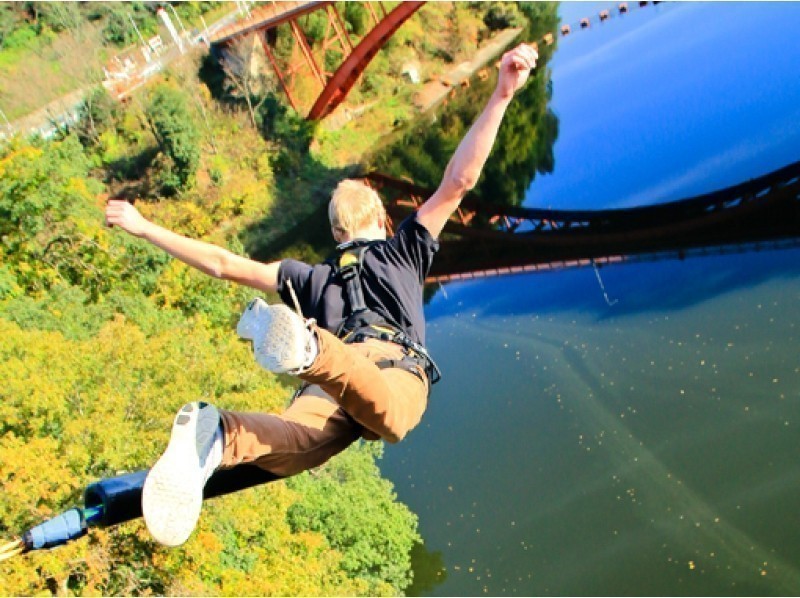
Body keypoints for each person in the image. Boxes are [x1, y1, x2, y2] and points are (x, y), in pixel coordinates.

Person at [105, 43, 538, 547]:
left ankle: (220, 432)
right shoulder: (404, 250)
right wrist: (503, 95)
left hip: (326, 384)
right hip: (386, 365)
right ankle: (310, 351)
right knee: (394, 419)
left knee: (297, 448)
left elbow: (224, 265)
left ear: (336, 235)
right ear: (382, 220)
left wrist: (144, 226)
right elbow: (459, 182)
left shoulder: (309, 277)